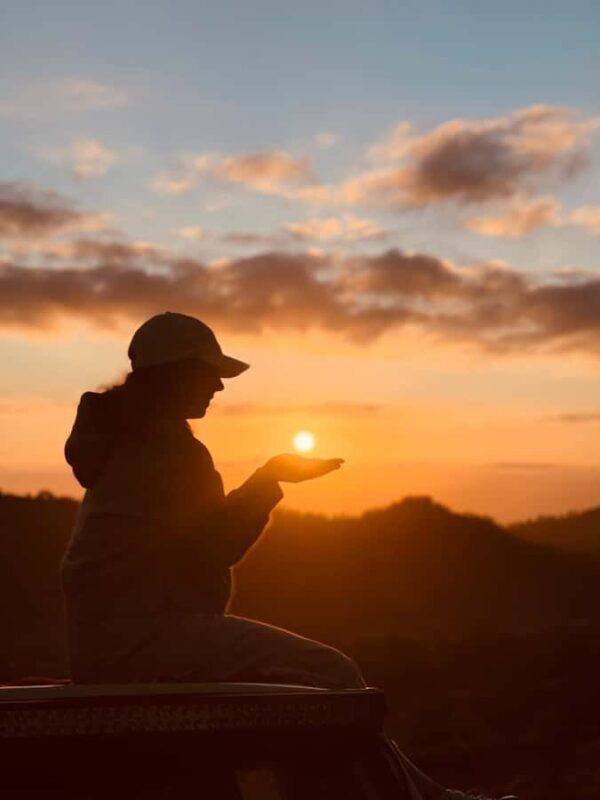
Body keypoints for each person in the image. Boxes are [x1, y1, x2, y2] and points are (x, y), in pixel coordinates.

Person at [61, 311, 516, 800]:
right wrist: (269, 480)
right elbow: (214, 548)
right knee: (334, 677)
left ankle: (426, 796)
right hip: (149, 636)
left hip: (109, 639)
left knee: (318, 687)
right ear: (176, 374)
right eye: (209, 373)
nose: (218, 386)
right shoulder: (169, 452)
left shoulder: (126, 438)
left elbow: (193, 543)